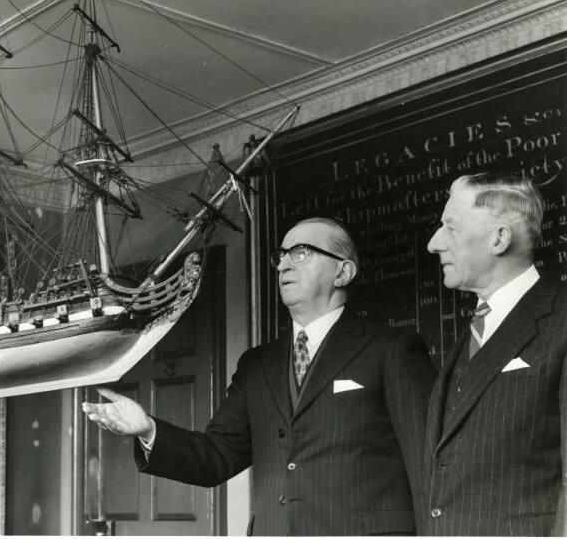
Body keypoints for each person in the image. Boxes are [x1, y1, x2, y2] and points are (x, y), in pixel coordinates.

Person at [83, 217, 436, 535]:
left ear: (343, 272)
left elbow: (429, 468)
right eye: (280, 255)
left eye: (301, 253)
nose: (282, 264)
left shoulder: (392, 349)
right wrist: (148, 429)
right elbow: (216, 457)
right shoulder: (257, 365)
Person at [423, 173, 566, 536]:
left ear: (499, 238)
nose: (433, 243)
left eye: (450, 227)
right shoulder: (474, 330)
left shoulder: (562, 318)